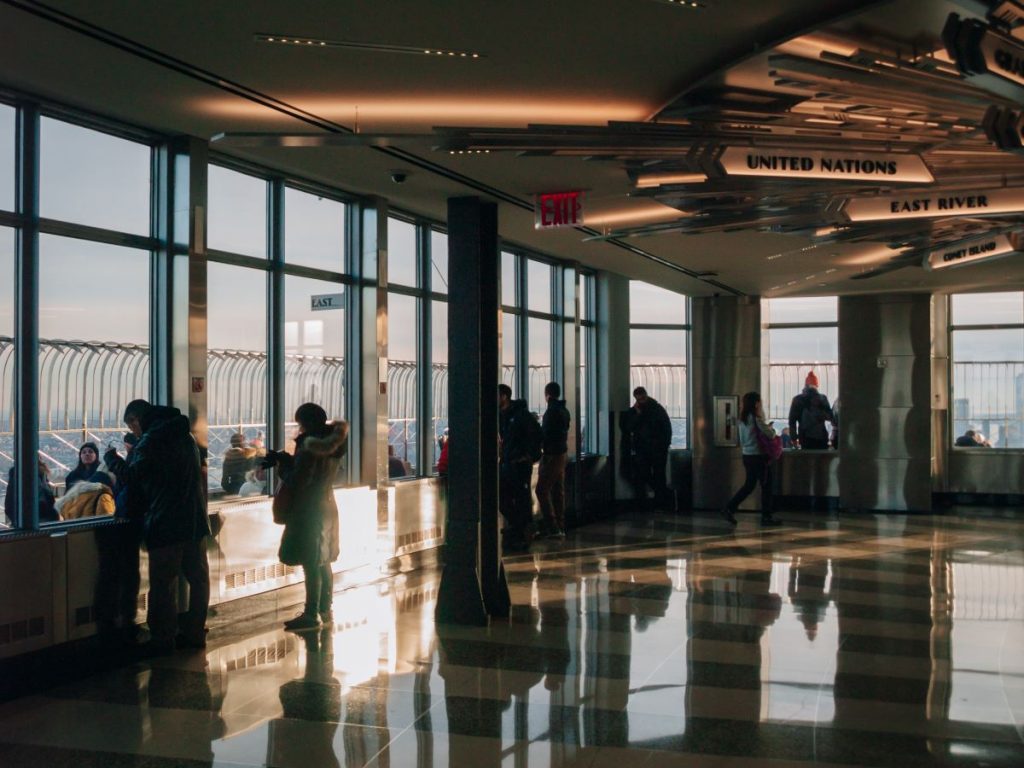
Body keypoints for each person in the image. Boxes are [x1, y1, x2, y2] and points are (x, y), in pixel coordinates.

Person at [105, 399, 210, 655]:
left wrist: (112, 460)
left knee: (163, 583)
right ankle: (195, 632)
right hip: (195, 520)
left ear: (136, 420)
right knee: (198, 579)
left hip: (166, 523)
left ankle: (163, 638)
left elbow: (132, 476)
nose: (134, 432)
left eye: (132, 426)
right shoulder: (185, 437)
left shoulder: (151, 441)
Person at [262, 403, 348, 631]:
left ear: (306, 423)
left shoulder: (309, 446)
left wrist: (282, 465)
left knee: (310, 561)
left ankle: (311, 614)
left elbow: (297, 479)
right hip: (327, 504)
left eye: (300, 423)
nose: (299, 429)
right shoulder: (333, 442)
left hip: (308, 508)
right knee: (323, 560)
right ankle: (324, 607)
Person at [722, 391, 782, 527]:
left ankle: (729, 507)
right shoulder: (756, 419)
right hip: (759, 457)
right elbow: (771, 435)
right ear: (756, 404)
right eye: (760, 402)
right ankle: (766, 517)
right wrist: (772, 429)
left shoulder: (742, 419)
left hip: (747, 456)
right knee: (766, 486)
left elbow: (743, 439)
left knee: (749, 485)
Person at [498, 383, 536, 551]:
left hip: (518, 465)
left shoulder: (520, 415)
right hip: (507, 463)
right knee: (503, 497)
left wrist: (529, 457)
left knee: (520, 499)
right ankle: (519, 528)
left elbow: (537, 434)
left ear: (504, 396)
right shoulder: (503, 416)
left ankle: (520, 533)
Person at [624, 386, 674, 512]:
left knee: (648, 474)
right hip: (655, 449)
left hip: (647, 449)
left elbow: (630, 427)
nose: (641, 401)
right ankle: (662, 498)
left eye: (642, 398)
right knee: (657, 475)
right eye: (639, 399)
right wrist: (665, 444)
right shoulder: (657, 409)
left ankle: (660, 499)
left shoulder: (645, 410)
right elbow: (667, 428)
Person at [536, 382, 571, 539]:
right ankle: (560, 526)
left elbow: (546, 434)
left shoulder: (551, 412)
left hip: (552, 455)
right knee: (558, 491)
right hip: (561, 454)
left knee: (541, 490)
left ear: (547, 395)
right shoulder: (564, 410)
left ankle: (552, 526)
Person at [788, 370, 835, 450]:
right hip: (821, 437)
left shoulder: (797, 399)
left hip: (805, 438)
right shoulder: (822, 398)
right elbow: (830, 417)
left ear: (805, 385)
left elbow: (792, 421)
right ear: (816, 385)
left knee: (807, 460)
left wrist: (794, 439)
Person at [4, 459, 58, 525]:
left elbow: (9, 507)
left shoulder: (16, 475)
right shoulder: (40, 476)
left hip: (22, 524)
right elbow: (48, 503)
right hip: (44, 524)